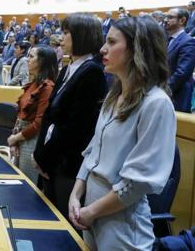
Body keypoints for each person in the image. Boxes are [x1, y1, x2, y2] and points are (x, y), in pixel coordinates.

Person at [69, 16, 176, 250]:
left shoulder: (157, 103)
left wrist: (91, 211)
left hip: (121, 220)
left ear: (137, 49)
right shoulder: (112, 96)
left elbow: (138, 183)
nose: (102, 49)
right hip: (91, 207)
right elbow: (93, 151)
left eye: (112, 42)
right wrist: (76, 195)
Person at [33, 13, 107, 219]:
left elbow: (74, 127)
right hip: (51, 160)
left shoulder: (92, 72)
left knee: (61, 223)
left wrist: (44, 158)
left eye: (66, 33)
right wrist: (40, 154)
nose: (61, 37)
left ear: (81, 36)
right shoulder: (68, 68)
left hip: (67, 165)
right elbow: (49, 116)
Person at [8, 46, 57, 182]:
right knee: (17, 180)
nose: (27, 60)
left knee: (26, 184)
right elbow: (21, 115)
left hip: (31, 141)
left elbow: (38, 124)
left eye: (31, 57)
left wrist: (16, 138)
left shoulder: (47, 87)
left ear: (42, 61)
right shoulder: (33, 84)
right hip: (21, 137)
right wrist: (15, 140)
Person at [165, 8, 195, 112]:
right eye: (165, 17)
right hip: (166, 93)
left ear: (182, 20)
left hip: (178, 94)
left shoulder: (188, 42)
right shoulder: (167, 40)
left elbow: (182, 73)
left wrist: (164, 89)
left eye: (170, 17)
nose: (166, 20)